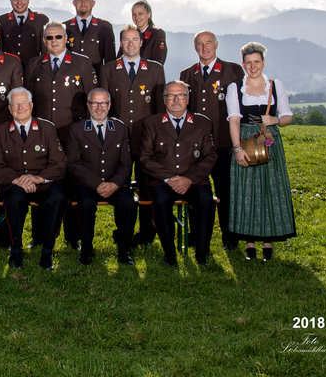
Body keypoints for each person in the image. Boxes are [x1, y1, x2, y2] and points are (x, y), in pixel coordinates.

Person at [25, 19, 97, 249]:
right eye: (49, 37)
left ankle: (73, 237)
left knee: (73, 185)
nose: (54, 41)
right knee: (41, 183)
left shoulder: (82, 63)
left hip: (73, 135)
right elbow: (29, 102)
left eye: (58, 36)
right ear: (44, 40)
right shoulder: (35, 64)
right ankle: (39, 236)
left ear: (66, 39)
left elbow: (92, 100)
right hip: (43, 137)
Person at [227, 42, 296, 261]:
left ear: (264, 63)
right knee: (246, 190)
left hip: (269, 141)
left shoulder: (275, 85)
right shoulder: (235, 88)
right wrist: (237, 149)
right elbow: (234, 120)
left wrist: (275, 120)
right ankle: (249, 242)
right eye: (248, 63)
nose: (253, 66)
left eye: (256, 62)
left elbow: (287, 116)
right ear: (243, 64)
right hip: (246, 141)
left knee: (269, 189)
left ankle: (268, 242)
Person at [139, 81, 217, 267]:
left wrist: (189, 178)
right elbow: (145, 158)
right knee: (160, 202)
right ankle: (170, 254)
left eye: (180, 95)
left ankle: (202, 253)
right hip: (162, 181)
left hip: (194, 181)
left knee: (207, 201)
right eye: (171, 96)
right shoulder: (151, 123)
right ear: (164, 100)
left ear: (187, 99)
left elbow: (210, 155)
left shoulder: (202, 123)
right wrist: (169, 178)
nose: (176, 100)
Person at [100, 25, 165, 248]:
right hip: (118, 141)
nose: (130, 44)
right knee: (121, 188)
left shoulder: (155, 69)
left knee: (147, 187)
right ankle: (123, 233)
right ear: (121, 43)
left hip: (146, 140)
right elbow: (104, 108)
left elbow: (159, 109)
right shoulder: (109, 69)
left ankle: (146, 233)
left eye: (134, 39)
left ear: (141, 42)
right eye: (126, 40)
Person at [179, 31, 244, 250]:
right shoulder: (187, 74)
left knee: (226, 191)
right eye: (200, 44)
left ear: (216, 45)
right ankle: (196, 234)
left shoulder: (232, 71)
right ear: (195, 47)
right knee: (195, 190)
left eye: (208, 43)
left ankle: (230, 236)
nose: (204, 47)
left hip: (224, 143)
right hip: (196, 147)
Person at [0, 87, 67, 270]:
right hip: (15, 184)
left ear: (31, 106)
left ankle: (47, 251)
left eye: (24, 103)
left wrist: (38, 178)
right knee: (14, 199)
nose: (20, 108)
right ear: (9, 109)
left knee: (59, 197)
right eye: (15, 104)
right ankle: (16, 250)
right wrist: (18, 180)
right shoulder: (0, 131)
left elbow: (60, 163)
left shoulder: (47, 128)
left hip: (42, 182)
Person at [66, 88, 136, 265]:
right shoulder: (76, 129)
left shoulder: (120, 128)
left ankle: (124, 250)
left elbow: (126, 164)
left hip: (114, 183)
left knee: (128, 203)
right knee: (86, 205)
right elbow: (73, 164)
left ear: (109, 105)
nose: (99, 107)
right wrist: (96, 184)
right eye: (95, 103)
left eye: (103, 103)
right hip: (86, 184)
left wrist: (114, 184)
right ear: (88, 105)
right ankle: (86, 250)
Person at [65, 0, 116, 75]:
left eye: (87, 0)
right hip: (70, 79)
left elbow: (110, 61)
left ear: (93, 3)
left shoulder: (105, 27)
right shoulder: (65, 27)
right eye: (79, 0)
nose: (83, 3)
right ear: (74, 3)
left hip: (96, 79)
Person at [0, 0, 49, 67]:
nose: (19, 2)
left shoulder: (41, 20)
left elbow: (45, 50)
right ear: (10, 0)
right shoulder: (1, 21)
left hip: (34, 69)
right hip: (9, 70)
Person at [128, 0, 167, 64]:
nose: (137, 17)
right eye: (134, 14)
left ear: (149, 14)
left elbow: (159, 62)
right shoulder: (128, 35)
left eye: (140, 13)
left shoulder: (157, 34)